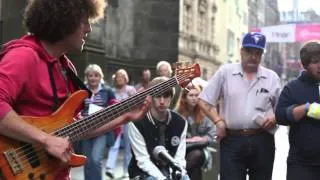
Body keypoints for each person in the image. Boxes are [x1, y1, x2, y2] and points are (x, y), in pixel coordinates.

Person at [0, 1, 150, 179]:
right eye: (84, 22)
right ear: (65, 21)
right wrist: (46, 140)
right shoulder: (23, 56)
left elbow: (74, 128)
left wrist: (125, 116)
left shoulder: (66, 67)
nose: (89, 29)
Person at [198, 32, 281, 180]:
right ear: (241, 51)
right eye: (249, 52)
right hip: (232, 140)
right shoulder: (226, 72)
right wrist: (218, 121)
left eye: (257, 53)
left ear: (262, 55)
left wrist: (275, 118)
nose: (253, 56)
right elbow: (204, 100)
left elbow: (281, 109)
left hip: (262, 140)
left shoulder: (272, 78)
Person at [128, 77, 190, 180]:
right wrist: (163, 179)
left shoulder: (181, 122)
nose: (162, 101)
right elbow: (142, 160)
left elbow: (180, 157)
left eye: (166, 96)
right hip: (144, 173)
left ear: (171, 97)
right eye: (158, 96)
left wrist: (176, 174)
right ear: (151, 97)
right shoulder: (137, 123)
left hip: (171, 170)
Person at [275, 41, 320, 180]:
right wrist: (305, 108)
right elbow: (280, 116)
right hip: (301, 164)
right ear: (305, 65)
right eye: (315, 62)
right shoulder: (293, 87)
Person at [80, 64, 117, 180]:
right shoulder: (81, 90)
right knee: (87, 161)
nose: (93, 78)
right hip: (85, 129)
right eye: (90, 75)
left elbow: (114, 107)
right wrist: (79, 115)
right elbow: (76, 108)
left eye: (96, 75)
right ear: (87, 77)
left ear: (100, 77)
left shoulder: (108, 91)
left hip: (102, 130)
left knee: (96, 160)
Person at [175, 84, 215, 180]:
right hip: (180, 151)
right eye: (191, 95)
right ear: (184, 98)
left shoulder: (205, 112)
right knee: (195, 169)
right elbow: (173, 137)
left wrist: (202, 139)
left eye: (197, 95)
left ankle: (177, 175)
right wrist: (190, 140)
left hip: (200, 150)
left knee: (196, 154)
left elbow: (212, 134)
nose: (194, 98)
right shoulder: (176, 113)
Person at [105, 68, 137, 178]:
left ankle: (126, 170)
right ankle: (110, 168)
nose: (119, 79)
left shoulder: (131, 89)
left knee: (129, 147)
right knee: (114, 144)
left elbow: (136, 104)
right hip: (116, 121)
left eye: (122, 76)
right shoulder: (112, 91)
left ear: (126, 78)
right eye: (118, 76)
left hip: (128, 120)